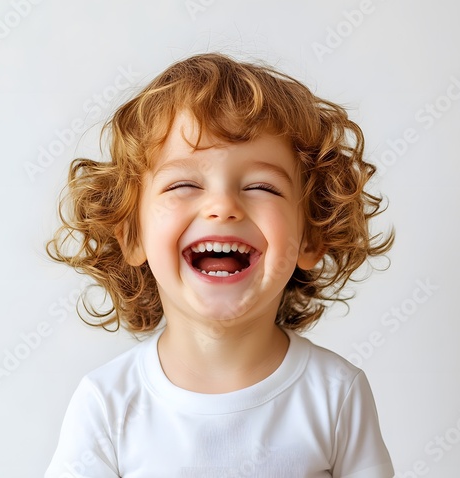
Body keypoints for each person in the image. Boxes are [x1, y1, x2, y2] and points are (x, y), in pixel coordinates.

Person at [45, 53, 395, 477]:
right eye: (184, 184)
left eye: (261, 186)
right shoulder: (107, 403)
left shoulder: (336, 396)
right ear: (133, 236)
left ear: (312, 236)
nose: (223, 206)